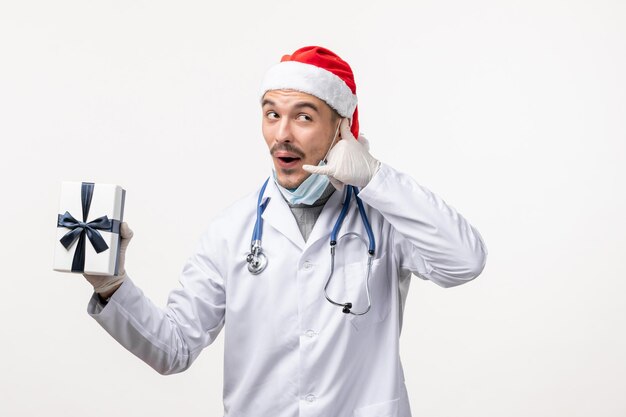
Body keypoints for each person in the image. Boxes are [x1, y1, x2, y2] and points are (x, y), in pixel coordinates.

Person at [84, 46, 487, 417]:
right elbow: (173, 350)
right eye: (272, 114)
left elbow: (464, 262)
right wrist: (112, 286)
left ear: (342, 129)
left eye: (304, 116)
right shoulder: (232, 230)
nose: (282, 134)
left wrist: (376, 177)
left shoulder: (383, 217)